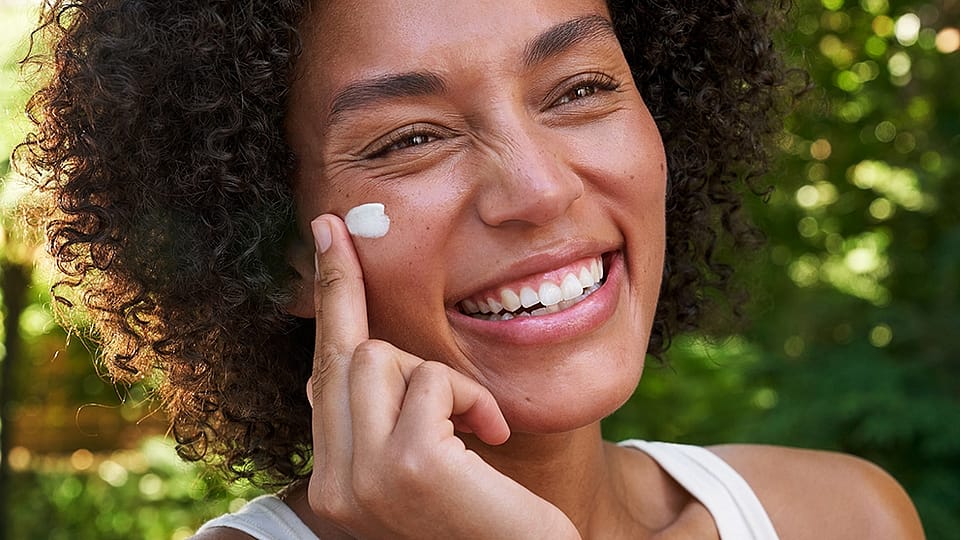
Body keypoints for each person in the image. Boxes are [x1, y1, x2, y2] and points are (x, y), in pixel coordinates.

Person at [17, 0, 925, 538]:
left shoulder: (844, 518)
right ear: (278, 253)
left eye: (580, 89)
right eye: (410, 139)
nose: (538, 190)